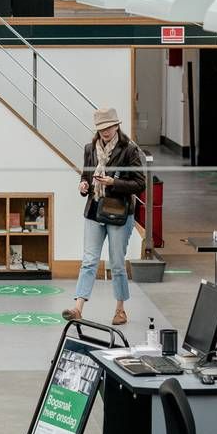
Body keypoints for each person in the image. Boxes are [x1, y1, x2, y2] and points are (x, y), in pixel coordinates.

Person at [62, 108, 145, 326]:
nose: (105, 131)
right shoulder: (90, 149)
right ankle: (78, 307)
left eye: (109, 127)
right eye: (101, 128)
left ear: (117, 125)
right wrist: (83, 186)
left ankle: (120, 309)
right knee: (89, 261)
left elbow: (140, 184)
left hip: (119, 213)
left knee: (117, 263)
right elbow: (86, 176)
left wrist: (113, 183)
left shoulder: (129, 150)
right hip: (94, 211)